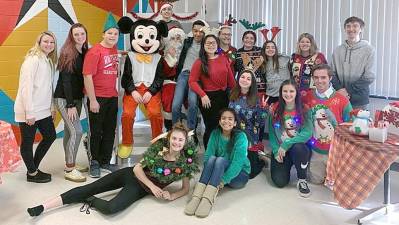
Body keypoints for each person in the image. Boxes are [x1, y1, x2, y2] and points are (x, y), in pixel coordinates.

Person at [27, 123, 199, 216]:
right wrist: (154, 187)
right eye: (174, 139)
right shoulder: (159, 150)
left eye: (180, 140)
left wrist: (172, 195)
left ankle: (88, 199)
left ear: (185, 143)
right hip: (131, 175)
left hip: (138, 189)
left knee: (111, 208)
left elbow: (185, 188)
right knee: (90, 186)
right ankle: (44, 206)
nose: (176, 142)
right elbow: (138, 169)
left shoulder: (185, 162)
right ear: (169, 139)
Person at [184, 108, 250, 218]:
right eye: (223, 118)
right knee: (211, 159)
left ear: (234, 123)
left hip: (240, 175)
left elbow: (237, 165)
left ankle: (208, 199)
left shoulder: (241, 137)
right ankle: (196, 197)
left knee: (219, 160)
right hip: (220, 171)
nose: (226, 121)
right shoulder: (215, 133)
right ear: (219, 121)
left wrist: (222, 180)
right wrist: (208, 176)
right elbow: (208, 157)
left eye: (230, 119)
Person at [14, 31, 58, 183]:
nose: (49, 45)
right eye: (46, 41)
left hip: (43, 110)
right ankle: (32, 173)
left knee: (50, 136)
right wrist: (29, 112)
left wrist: (52, 107)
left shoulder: (48, 61)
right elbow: (26, 87)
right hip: (29, 110)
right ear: (39, 43)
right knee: (27, 142)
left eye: (52, 42)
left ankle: (33, 168)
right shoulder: (32, 60)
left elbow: (48, 87)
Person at [302, 64, 352, 184]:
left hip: (335, 151)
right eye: (316, 77)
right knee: (315, 181)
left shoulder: (342, 99)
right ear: (313, 79)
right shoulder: (308, 97)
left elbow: (351, 123)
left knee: (334, 184)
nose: (319, 81)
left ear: (330, 78)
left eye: (323, 77)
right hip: (316, 150)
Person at [83, 13, 119, 178]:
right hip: (97, 97)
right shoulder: (94, 51)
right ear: (103, 34)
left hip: (112, 96)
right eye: (110, 33)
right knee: (96, 132)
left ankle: (105, 161)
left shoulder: (114, 49)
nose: (113, 36)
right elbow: (87, 76)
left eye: (116, 33)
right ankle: (94, 162)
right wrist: (92, 100)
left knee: (110, 130)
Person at [54, 23, 89, 182]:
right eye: (76, 35)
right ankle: (69, 169)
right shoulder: (68, 52)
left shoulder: (84, 51)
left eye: (82, 34)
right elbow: (66, 81)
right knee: (77, 131)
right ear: (71, 36)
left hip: (77, 98)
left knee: (69, 132)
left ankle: (71, 161)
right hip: (64, 98)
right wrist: (70, 105)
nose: (80, 37)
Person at [189, 32, 236, 148]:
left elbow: (231, 81)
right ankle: (209, 156)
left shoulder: (224, 58)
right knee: (211, 128)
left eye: (213, 42)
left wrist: (238, 94)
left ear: (217, 44)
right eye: (208, 43)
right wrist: (202, 95)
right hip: (208, 99)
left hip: (224, 97)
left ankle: (221, 153)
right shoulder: (199, 62)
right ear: (203, 46)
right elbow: (192, 82)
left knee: (223, 127)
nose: (211, 45)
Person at [268, 79, 312, 197]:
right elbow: (272, 134)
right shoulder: (274, 110)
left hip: (297, 148)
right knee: (279, 182)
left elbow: (308, 132)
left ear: (296, 93)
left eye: (291, 91)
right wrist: (276, 151)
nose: (288, 94)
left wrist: (286, 144)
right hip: (281, 151)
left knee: (299, 148)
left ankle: (302, 179)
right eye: (285, 91)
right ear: (281, 93)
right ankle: (280, 162)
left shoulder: (304, 109)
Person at [229, 70, 268, 178]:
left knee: (250, 173)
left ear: (252, 83)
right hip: (235, 135)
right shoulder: (233, 94)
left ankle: (261, 160)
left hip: (250, 137)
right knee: (236, 167)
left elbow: (260, 124)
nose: (245, 80)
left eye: (248, 78)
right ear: (238, 79)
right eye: (243, 77)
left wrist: (263, 110)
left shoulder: (257, 98)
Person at [331, 16, 376, 110]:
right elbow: (332, 73)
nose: (351, 29)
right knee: (338, 124)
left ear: (361, 29)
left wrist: (346, 91)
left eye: (355, 26)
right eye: (348, 26)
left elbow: (369, 77)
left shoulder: (369, 50)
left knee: (358, 124)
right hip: (339, 96)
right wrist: (340, 90)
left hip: (359, 99)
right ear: (345, 29)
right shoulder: (337, 50)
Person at [171, 20, 206, 139]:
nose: (198, 34)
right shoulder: (187, 41)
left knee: (192, 103)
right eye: (195, 31)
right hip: (184, 75)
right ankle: (175, 131)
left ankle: (191, 132)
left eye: (201, 31)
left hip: (196, 78)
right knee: (176, 105)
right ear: (192, 31)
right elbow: (174, 47)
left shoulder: (207, 45)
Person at [160, 27, 186, 131]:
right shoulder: (164, 55)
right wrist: (171, 58)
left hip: (185, 81)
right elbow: (164, 73)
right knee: (169, 96)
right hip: (169, 82)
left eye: (178, 38)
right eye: (173, 38)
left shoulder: (185, 53)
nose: (176, 41)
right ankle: (169, 127)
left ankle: (186, 127)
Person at [261, 40, 290, 104]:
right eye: (267, 47)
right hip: (271, 96)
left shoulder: (284, 58)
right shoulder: (262, 63)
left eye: (273, 47)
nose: (270, 49)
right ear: (264, 50)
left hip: (285, 94)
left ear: (276, 49)